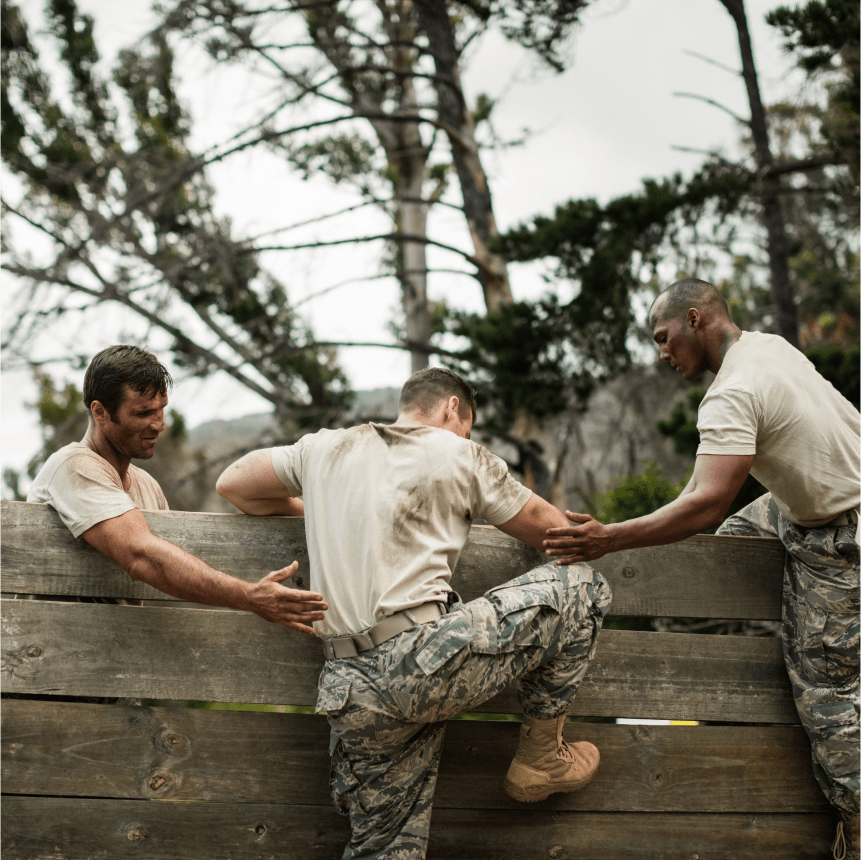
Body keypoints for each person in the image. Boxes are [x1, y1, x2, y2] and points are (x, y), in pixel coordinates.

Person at [216, 366, 612, 860]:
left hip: (348, 690)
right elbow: (558, 535)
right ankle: (541, 757)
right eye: (467, 424)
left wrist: (324, 511)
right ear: (452, 409)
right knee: (583, 586)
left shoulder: (321, 448)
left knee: (385, 850)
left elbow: (233, 484)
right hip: (421, 664)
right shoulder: (460, 453)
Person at [544, 278, 860, 860]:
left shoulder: (731, 392)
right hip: (813, 505)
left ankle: (858, 820)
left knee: (828, 695)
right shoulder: (769, 347)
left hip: (841, 538)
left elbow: (706, 502)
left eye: (664, 338)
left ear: (695, 320)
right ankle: (758, 638)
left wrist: (608, 538)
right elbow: (703, 494)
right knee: (735, 537)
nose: (662, 354)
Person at [25, 344, 327, 634]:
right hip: (53, 657)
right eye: (143, 413)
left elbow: (170, 571)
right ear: (100, 412)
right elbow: (141, 556)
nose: (159, 425)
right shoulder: (73, 465)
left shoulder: (147, 486)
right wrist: (250, 596)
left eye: (162, 410)